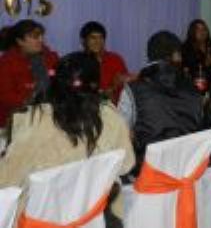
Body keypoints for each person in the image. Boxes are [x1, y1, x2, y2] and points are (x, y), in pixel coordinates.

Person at [0, 52, 135, 225]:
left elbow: (7, 180)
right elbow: (126, 164)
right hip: (94, 215)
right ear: (95, 84)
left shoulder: (35, 119)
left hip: (41, 219)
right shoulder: (109, 114)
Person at [117, 31, 204, 175]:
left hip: (147, 175)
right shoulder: (193, 87)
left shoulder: (133, 89)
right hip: (187, 171)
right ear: (175, 55)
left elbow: (120, 135)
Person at [0, 19, 59, 126]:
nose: (41, 40)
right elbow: (5, 97)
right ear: (20, 41)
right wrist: (31, 101)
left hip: (49, 116)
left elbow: (61, 83)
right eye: (35, 37)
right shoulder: (6, 62)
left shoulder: (51, 57)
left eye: (41, 36)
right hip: (15, 120)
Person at [79, 21, 131, 104]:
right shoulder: (77, 62)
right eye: (93, 38)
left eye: (101, 38)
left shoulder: (115, 59)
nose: (98, 42)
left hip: (114, 110)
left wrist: (114, 88)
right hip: (87, 109)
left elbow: (126, 87)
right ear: (83, 41)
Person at [182, 19, 211, 94]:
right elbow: (188, 69)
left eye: (204, 29)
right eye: (198, 29)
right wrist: (206, 64)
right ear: (192, 32)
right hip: (195, 87)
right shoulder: (186, 48)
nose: (202, 32)